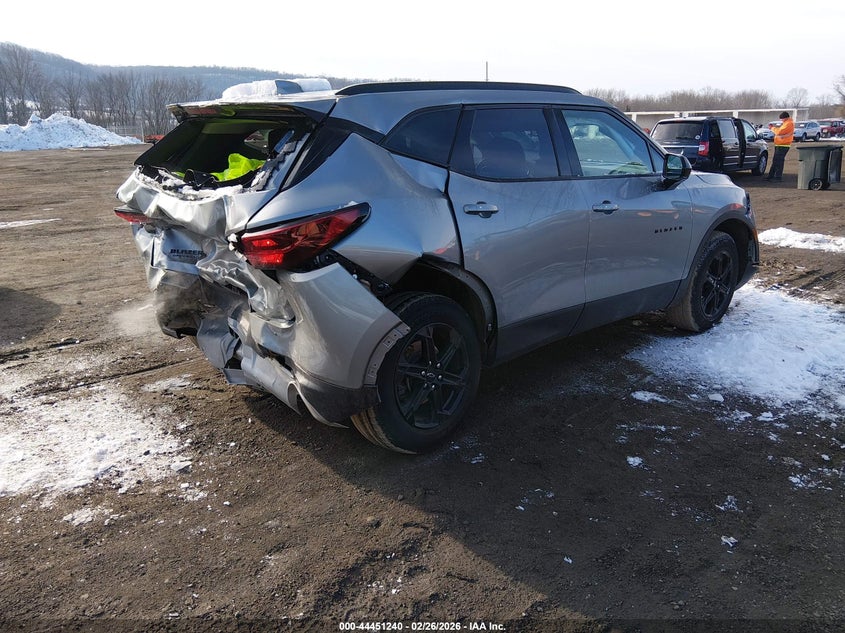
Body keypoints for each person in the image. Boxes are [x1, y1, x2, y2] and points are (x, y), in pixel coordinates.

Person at [766, 111, 794, 181]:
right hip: (780, 144)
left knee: (778, 161)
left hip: (783, 145)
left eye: (781, 119)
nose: (781, 120)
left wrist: (772, 128)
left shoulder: (788, 124)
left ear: (785, 118)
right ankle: (771, 176)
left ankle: (777, 177)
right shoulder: (786, 123)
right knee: (776, 161)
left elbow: (779, 132)